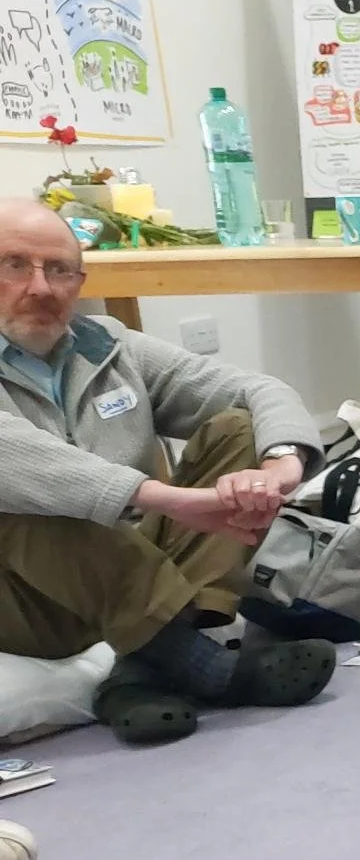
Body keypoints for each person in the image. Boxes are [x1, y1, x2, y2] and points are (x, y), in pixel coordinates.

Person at [0, 198, 337, 747]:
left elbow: (256, 390)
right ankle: (209, 669)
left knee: (239, 428)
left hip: (122, 568)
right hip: (23, 599)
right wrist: (164, 496)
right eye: (14, 264)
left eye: (59, 269)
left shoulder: (105, 343)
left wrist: (282, 464)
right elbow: (16, 457)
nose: (41, 287)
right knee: (37, 502)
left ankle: (146, 664)